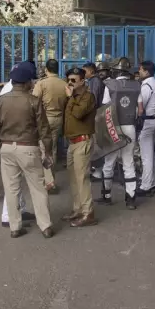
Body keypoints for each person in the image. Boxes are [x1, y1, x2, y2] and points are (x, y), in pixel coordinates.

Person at [0, 62, 54, 239]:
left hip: (7, 148)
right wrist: (48, 152)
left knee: (11, 189)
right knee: (38, 188)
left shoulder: (1, 100)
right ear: (26, 83)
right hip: (28, 148)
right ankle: (45, 226)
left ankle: (15, 227)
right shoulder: (33, 101)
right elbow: (44, 129)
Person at [96, 57, 141, 210]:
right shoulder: (137, 85)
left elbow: (105, 109)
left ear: (115, 71)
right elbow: (140, 109)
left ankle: (107, 195)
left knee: (109, 162)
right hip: (130, 127)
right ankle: (131, 199)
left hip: (113, 127)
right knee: (128, 162)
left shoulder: (110, 85)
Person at [61, 67, 98, 227]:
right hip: (72, 142)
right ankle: (78, 209)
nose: (70, 83)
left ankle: (88, 213)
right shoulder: (72, 97)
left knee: (82, 178)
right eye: (68, 80)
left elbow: (78, 113)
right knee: (74, 179)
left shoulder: (88, 97)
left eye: (73, 80)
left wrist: (71, 97)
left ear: (82, 81)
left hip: (82, 141)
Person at [32, 59, 68, 194]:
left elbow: (34, 102)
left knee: (44, 149)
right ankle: (51, 180)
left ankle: (48, 182)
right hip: (59, 119)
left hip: (45, 119)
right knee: (53, 149)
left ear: (46, 69)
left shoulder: (41, 83)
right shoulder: (64, 84)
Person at [136, 60, 155, 197]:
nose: (139, 72)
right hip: (153, 120)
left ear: (146, 71)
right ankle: (151, 182)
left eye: (141, 70)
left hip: (147, 121)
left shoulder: (147, 85)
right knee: (150, 153)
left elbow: (141, 106)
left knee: (146, 155)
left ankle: (146, 185)